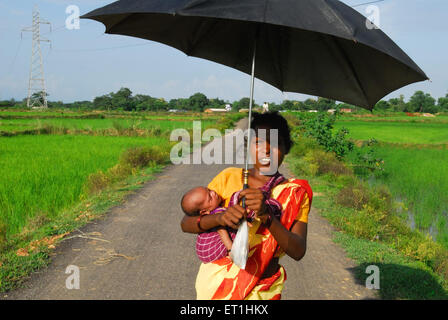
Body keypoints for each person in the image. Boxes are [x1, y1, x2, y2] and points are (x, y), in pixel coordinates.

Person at [180, 111, 313, 300]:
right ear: (248, 146)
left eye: (275, 143)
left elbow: (298, 251)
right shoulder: (229, 177)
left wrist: (268, 217)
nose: (266, 150)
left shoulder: (295, 192)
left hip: (263, 290)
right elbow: (186, 223)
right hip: (218, 284)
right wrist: (220, 217)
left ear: (287, 147)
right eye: (258, 142)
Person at [181, 182, 285, 263]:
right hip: (208, 248)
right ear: (203, 212)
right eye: (210, 197)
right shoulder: (216, 213)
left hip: (203, 253)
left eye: (209, 190)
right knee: (236, 218)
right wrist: (231, 248)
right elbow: (222, 227)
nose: (213, 192)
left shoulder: (213, 212)